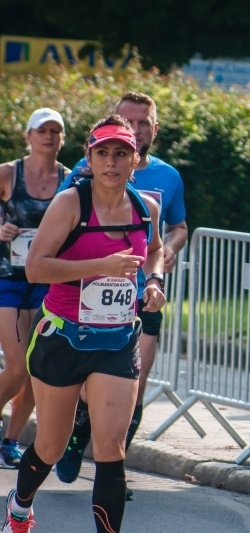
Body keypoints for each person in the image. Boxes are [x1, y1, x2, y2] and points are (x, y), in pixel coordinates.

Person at [2, 115, 165, 533]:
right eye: (103, 153)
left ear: (136, 160)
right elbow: (36, 269)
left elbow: (155, 251)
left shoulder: (146, 208)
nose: (112, 162)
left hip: (116, 339)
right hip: (63, 337)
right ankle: (20, 508)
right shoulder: (70, 203)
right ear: (89, 159)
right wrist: (102, 266)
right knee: (50, 447)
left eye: (121, 153)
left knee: (111, 446)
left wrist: (156, 282)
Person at [56, 92, 188, 488]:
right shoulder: (87, 169)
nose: (136, 129)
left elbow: (174, 230)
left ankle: (112, 472)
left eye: (143, 122)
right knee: (88, 383)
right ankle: (79, 434)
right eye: (128, 122)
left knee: (136, 382)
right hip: (86, 298)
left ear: (154, 128)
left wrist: (160, 265)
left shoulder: (168, 177)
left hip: (141, 294)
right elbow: (59, 225)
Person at [0, 108, 70, 469]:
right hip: (9, 281)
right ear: (28, 136)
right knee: (16, 367)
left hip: (47, 285)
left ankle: (11, 440)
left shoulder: (70, 180)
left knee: (33, 368)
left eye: (56, 131)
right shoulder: (8, 174)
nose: (49, 136)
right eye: (42, 130)